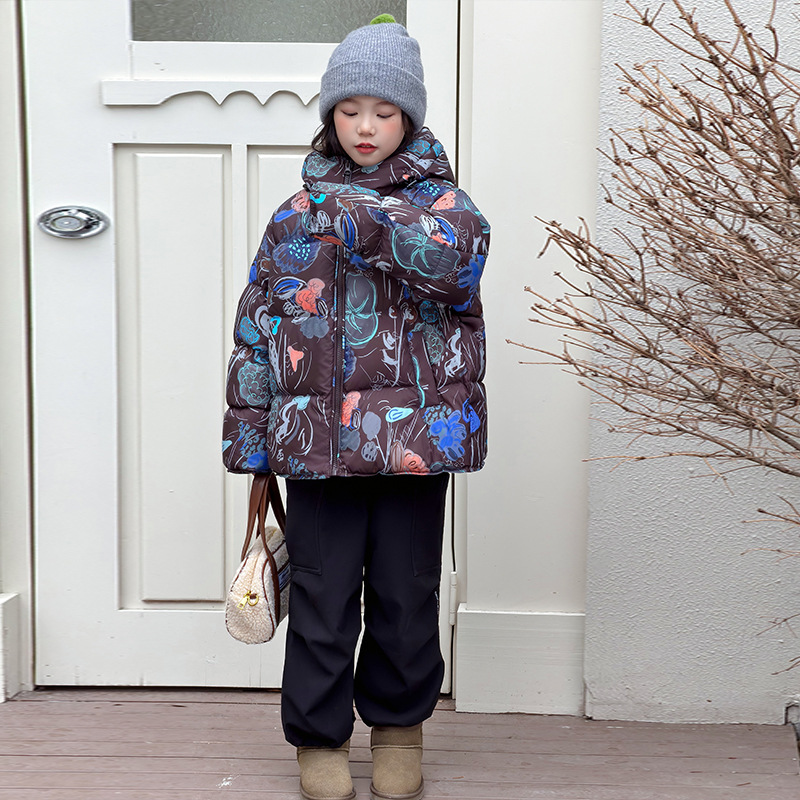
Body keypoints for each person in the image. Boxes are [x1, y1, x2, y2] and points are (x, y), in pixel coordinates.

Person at [222, 14, 489, 800]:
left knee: (406, 593)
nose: (365, 127)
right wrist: (251, 438)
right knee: (322, 594)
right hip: (314, 447)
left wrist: (361, 215)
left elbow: (454, 270)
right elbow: (257, 329)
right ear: (329, 116)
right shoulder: (292, 218)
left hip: (414, 444)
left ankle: (399, 729)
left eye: (383, 111)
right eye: (349, 110)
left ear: (410, 117)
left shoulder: (448, 207)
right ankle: (319, 738)